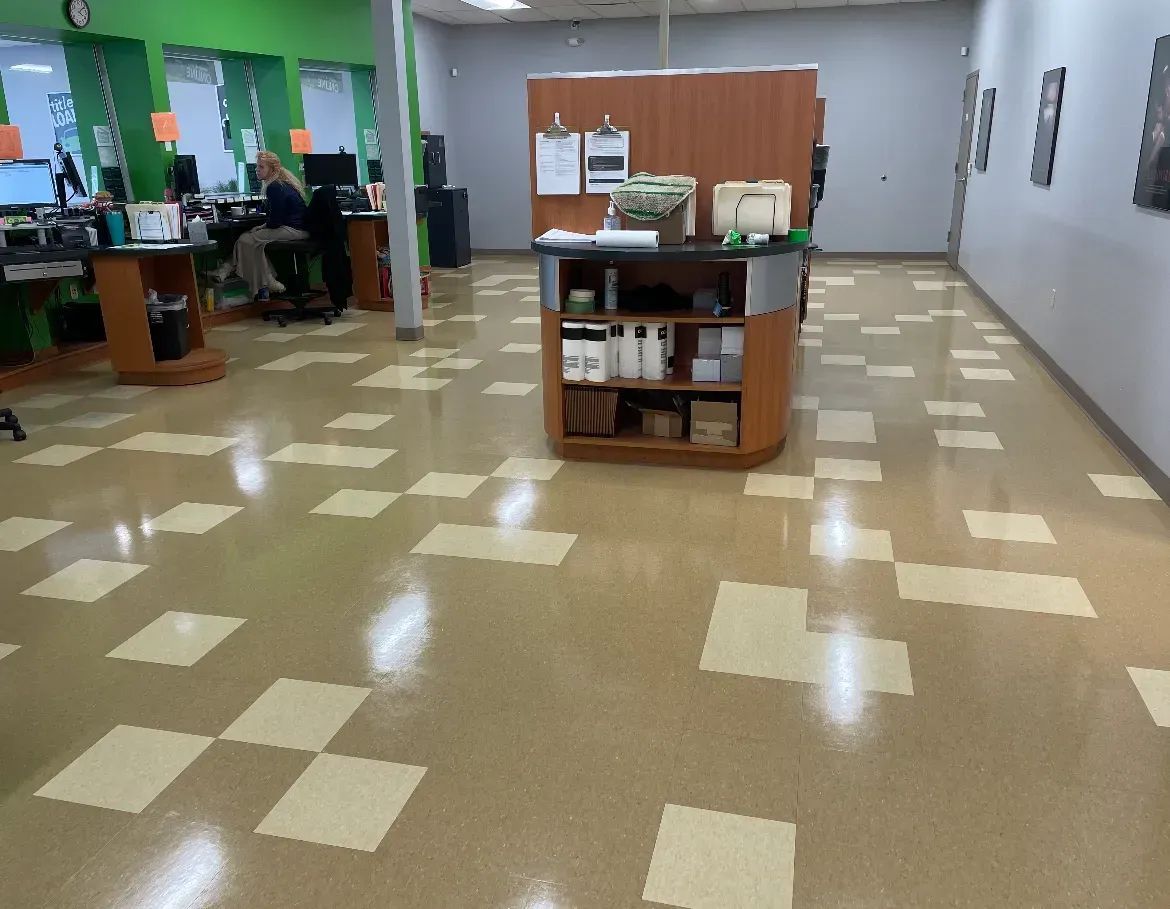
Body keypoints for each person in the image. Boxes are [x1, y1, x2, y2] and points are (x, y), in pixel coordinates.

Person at [211, 150, 309, 299]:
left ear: (272, 169)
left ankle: (261, 279)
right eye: (257, 166)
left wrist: (262, 226)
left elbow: (275, 221)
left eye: (261, 167)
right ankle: (259, 279)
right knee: (252, 241)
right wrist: (263, 225)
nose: (257, 170)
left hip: (293, 230)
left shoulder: (274, 187)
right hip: (300, 228)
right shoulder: (283, 183)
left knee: (246, 239)